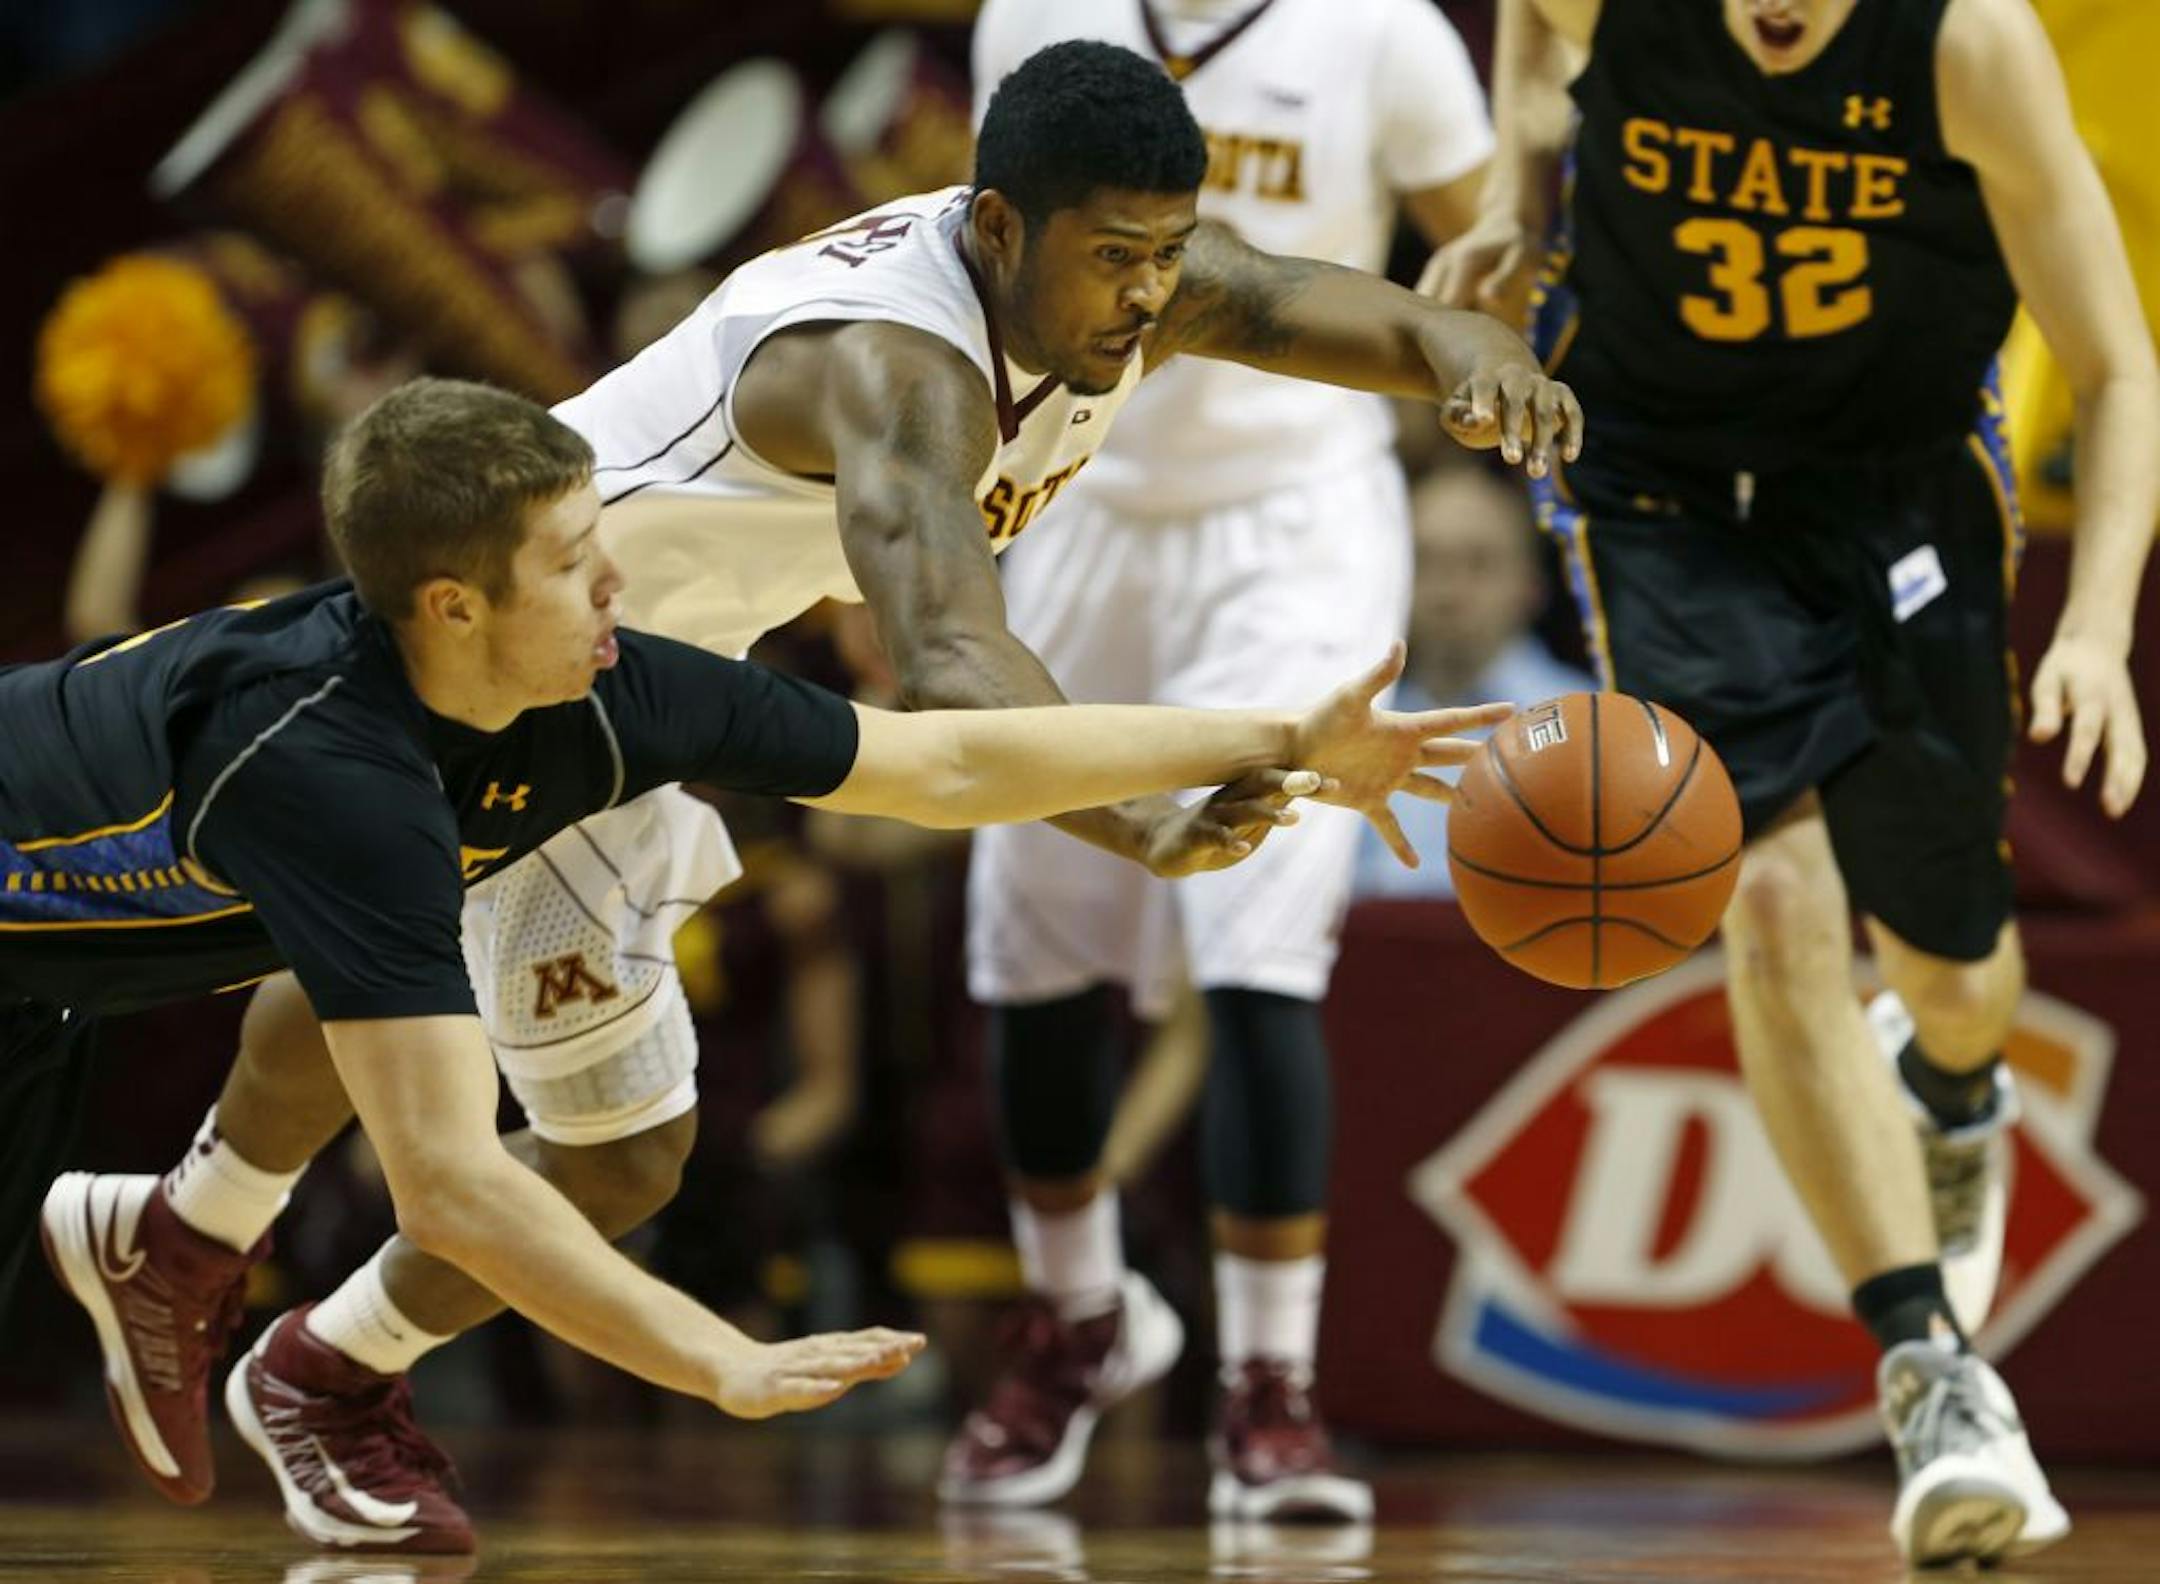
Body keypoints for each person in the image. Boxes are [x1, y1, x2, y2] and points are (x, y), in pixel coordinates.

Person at [61, 39, 1580, 1552]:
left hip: (609, 677)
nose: (1146, 292)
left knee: (409, 978)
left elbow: (1310, 300)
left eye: (1165, 254)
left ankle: (194, 1242)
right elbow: (958, 676)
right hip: (529, 674)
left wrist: (1471, 355)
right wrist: (1138, 820)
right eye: (1117, 258)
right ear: (1001, 228)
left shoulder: (1119, 273)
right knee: (604, 1141)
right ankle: (313, 1362)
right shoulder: (897, 371)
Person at [1427, 0, 2157, 1565]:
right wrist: (1511, 192)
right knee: (1764, 898)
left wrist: (2097, 631)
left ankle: (1952, 1091)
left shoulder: (1967, 46)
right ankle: (1935, 1380)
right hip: (1660, 491)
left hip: (1897, 489)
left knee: (1955, 974)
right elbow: (1531, 34)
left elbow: (2114, 367)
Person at [948, 0, 1499, 1523]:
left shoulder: (1383, 30)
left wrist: (1479, 344)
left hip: (1295, 513)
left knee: (1258, 940)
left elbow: (1490, 247)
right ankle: (1075, 1315)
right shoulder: (1034, 14)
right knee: (1032, 931)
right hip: (1077, 493)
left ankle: (1272, 1387)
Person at [1354, 464, 1594, 900]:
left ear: (1532, 585)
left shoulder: (1592, 726)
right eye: (1425, 562)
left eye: (1479, 564)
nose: (1449, 591)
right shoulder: (1349, 724)